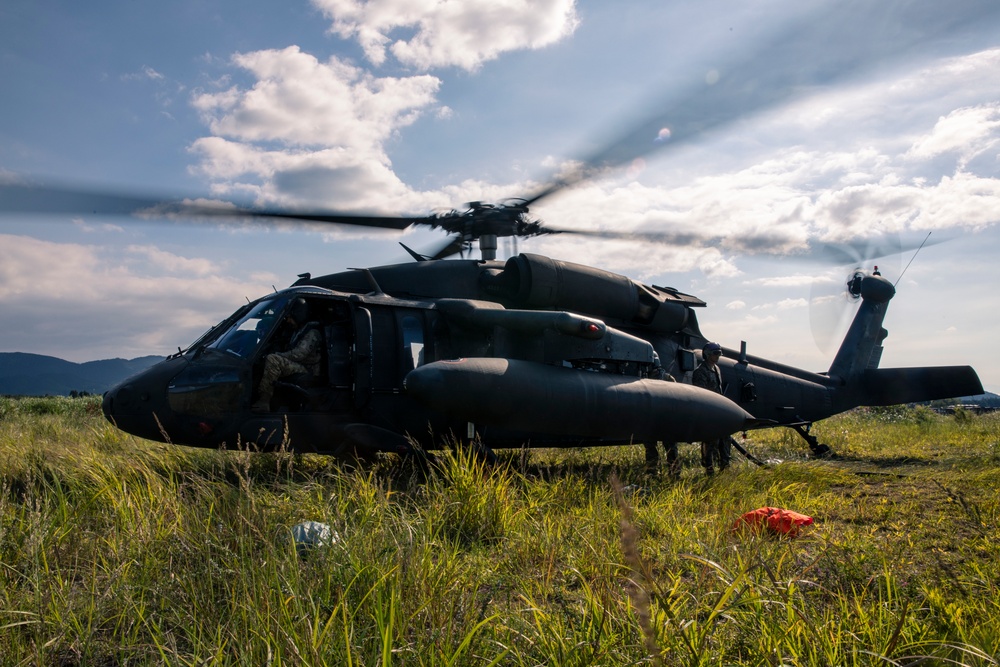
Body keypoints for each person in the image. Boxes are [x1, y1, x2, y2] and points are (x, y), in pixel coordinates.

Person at [252, 298, 323, 412]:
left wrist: (279, 354)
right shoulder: (298, 331)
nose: (288, 321)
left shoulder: (312, 332)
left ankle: (264, 401)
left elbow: (299, 354)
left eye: (290, 317)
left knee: (273, 360)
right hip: (299, 365)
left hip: (308, 369)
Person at [693, 341, 731, 475]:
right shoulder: (700, 372)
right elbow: (701, 394)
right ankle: (709, 468)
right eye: (716, 354)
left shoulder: (717, 369)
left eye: (719, 353)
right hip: (709, 412)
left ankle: (725, 466)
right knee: (710, 441)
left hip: (719, 410)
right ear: (708, 354)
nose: (718, 356)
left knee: (726, 438)